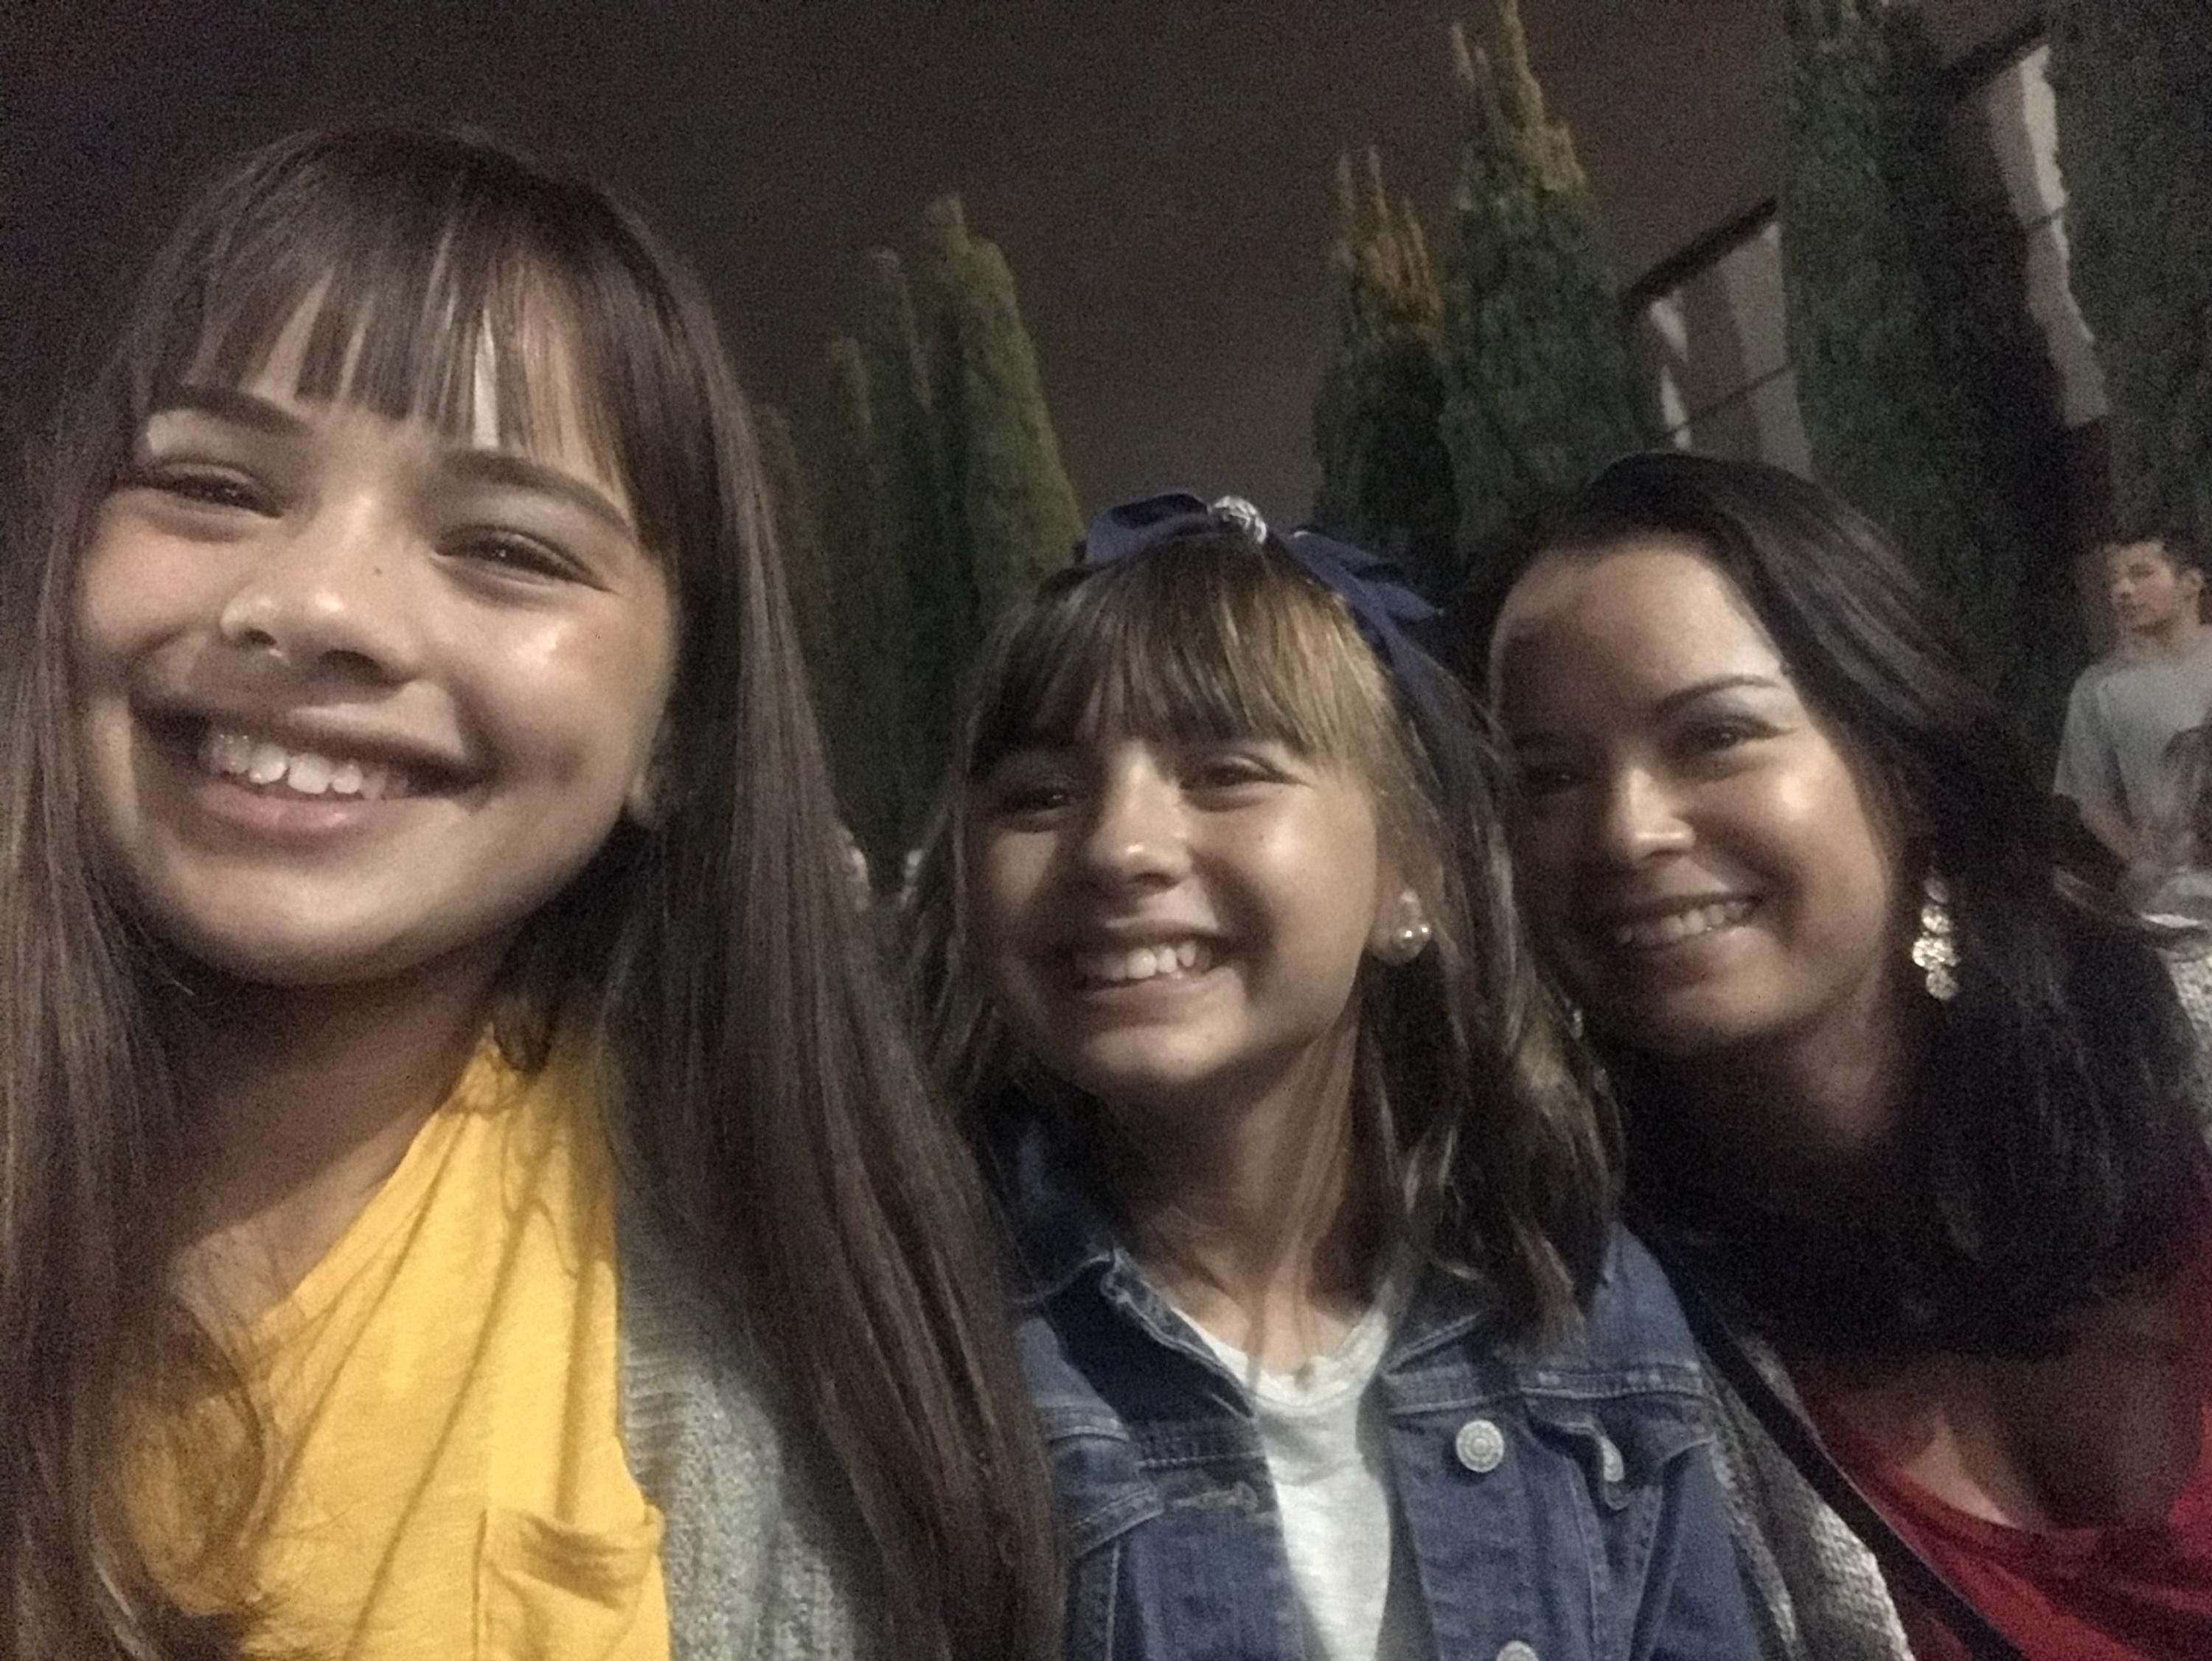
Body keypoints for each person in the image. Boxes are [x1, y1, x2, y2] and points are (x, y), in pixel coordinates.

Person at [0, 125, 1059, 1660]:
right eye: (214, 485)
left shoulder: (819, 1320)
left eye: (505, 546)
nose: (315, 603)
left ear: (680, 731)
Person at [908, 493, 1759, 1660]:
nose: (1117, 846)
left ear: (1411, 875)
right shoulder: (917, 1336)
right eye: (1040, 795)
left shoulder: (1577, 1301)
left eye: (1225, 771)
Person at [1489, 451, 2212, 1661]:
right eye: (1548, 775)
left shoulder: (2185, 1063)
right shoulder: (1594, 1325)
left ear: (1906, 762)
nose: (1625, 829)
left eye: (1716, 735)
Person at [2053, 529, 2212, 871]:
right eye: (2115, 580)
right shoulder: (2099, 688)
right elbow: (2093, 804)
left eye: (2141, 574)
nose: (2123, 590)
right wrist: (2154, 872)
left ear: (2191, 582)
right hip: (2178, 886)